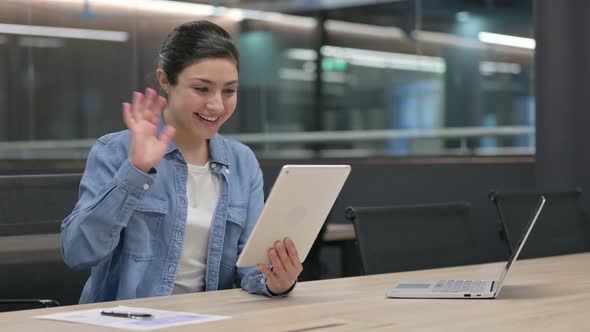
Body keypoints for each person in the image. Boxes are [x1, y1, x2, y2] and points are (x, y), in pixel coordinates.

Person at [61, 20, 302, 303]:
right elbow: (77, 252)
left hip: (211, 320)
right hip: (129, 320)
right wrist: (136, 171)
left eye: (229, 91)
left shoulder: (242, 162)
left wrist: (275, 282)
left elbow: (250, 269)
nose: (216, 105)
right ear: (165, 81)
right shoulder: (114, 150)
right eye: (202, 89)